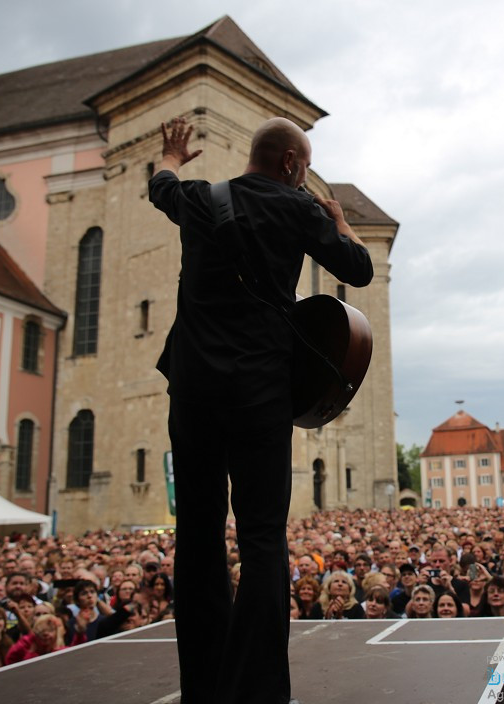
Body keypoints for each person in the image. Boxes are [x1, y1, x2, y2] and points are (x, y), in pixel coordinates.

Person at [149, 116, 373, 704]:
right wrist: (340, 221)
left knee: (196, 534)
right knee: (262, 537)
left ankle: (202, 685)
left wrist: (172, 154)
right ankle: (258, 689)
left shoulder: (200, 199)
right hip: (260, 392)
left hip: (193, 390)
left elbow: (161, 186)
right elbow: (358, 269)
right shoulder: (298, 210)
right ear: (293, 166)